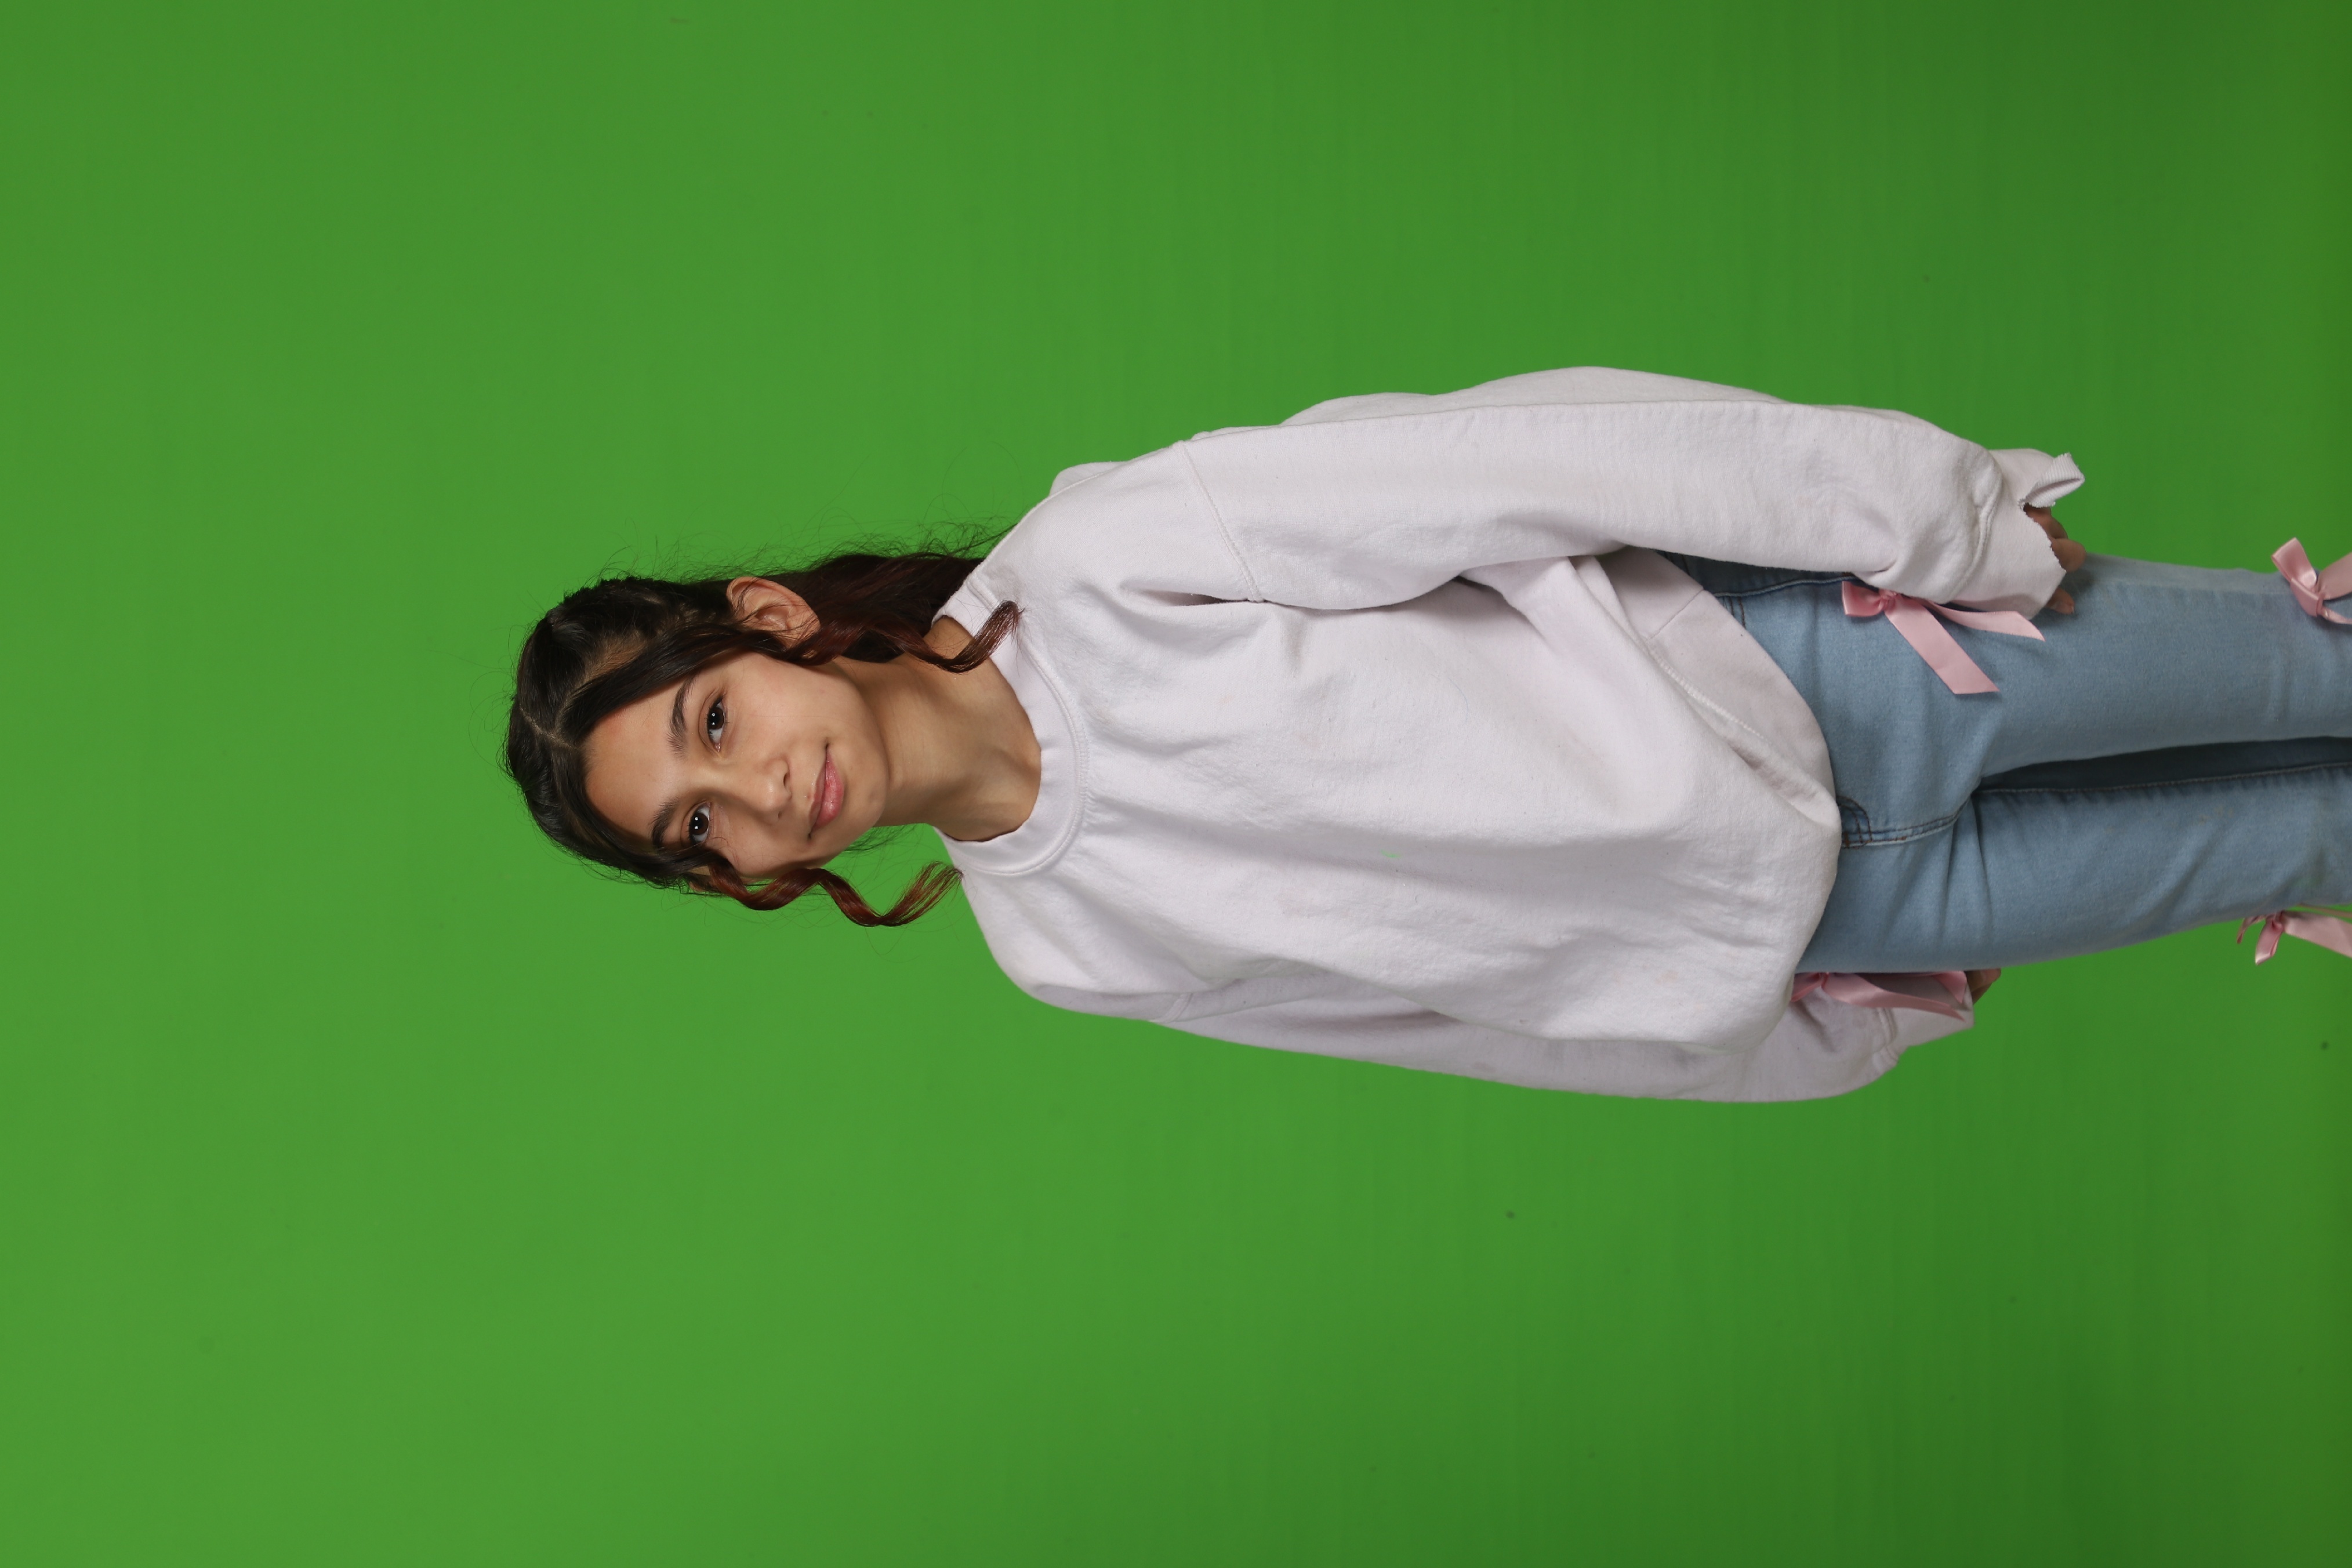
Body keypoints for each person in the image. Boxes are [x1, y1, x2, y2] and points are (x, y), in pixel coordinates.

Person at [504, 368, 2352, 1102]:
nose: (759, 790)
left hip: (1827, 665)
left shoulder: (1104, 561)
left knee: (2313, 672)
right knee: (2309, 844)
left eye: (714, 722)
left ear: (772, 623)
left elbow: (1526, 459)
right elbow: (1460, 1024)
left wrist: (1925, 517)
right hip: (1834, 915)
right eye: (700, 828)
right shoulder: (1061, 946)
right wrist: (1797, 1037)